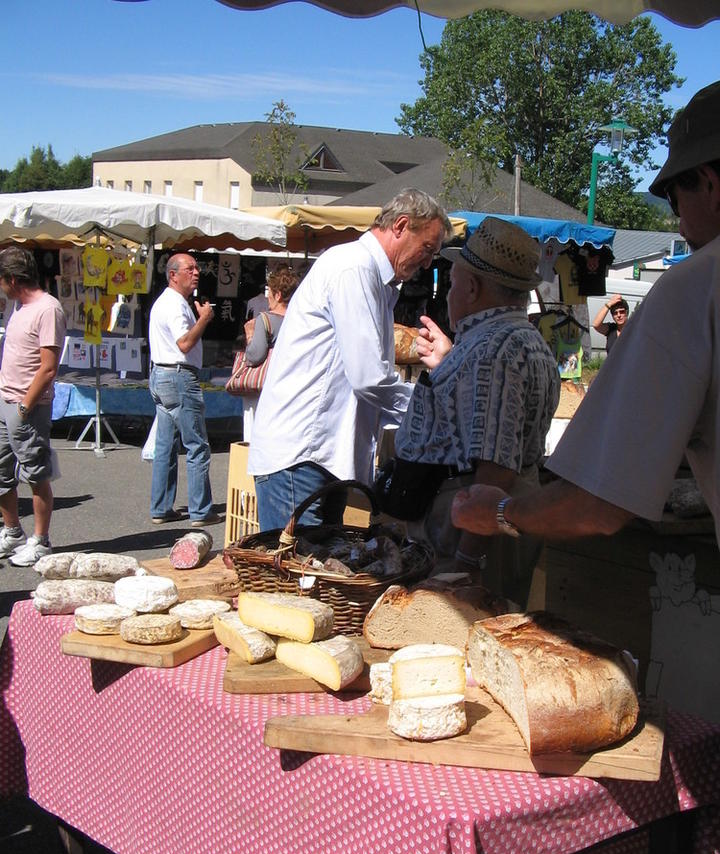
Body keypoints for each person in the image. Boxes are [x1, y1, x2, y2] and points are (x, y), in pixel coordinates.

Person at [450, 80, 720, 550]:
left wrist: (497, 513)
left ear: (711, 186)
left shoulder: (697, 286)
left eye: (675, 198)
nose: (677, 220)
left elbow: (597, 504)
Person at [248, 188, 453, 531]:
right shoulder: (354, 268)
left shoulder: (371, 277)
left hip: (321, 457)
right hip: (301, 457)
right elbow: (369, 378)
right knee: (297, 577)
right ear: (401, 225)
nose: (428, 263)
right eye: (427, 249)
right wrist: (429, 412)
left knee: (317, 573)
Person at [393, 217, 560, 606]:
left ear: (471, 287)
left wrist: (469, 558)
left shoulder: (494, 351)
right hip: (494, 513)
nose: (449, 295)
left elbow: (495, 469)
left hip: (470, 524)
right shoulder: (523, 339)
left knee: (461, 635)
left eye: (452, 285)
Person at [0, 247, 66, 566]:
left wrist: (25, 408)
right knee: (1, 473)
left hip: (28, 406)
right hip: (5, 400)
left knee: (36, 473)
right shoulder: (17, 305)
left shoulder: (47, 309)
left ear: (13, 279)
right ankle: (12, 531)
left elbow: (48, 367)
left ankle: (40, 540)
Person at [148, 253, 221, 527]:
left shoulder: (167, 302)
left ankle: (161, 506)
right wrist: (204, 319)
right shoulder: (176, 305)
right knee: (196, 445)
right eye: (189, 269)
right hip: (178, 376)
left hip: (161, 374)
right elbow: (184, 344)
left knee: (166, 445)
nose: (196, 273)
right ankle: (200, 510)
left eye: (196, 268)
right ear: (173, 274)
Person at [243, 265, 299, 366]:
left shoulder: (265, 320)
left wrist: (250, 334)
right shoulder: (301, 319)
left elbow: (255, 356)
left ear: (278, 295)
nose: (267, 296)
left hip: (274, 377)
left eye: (269, 292)